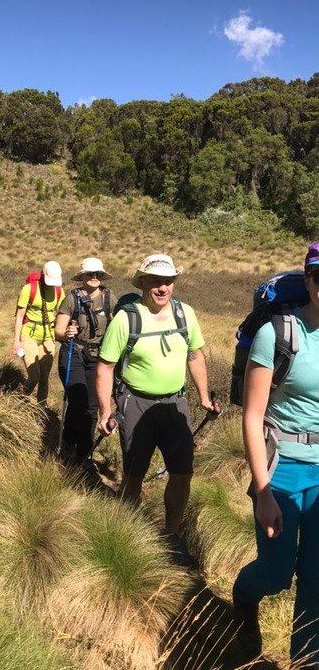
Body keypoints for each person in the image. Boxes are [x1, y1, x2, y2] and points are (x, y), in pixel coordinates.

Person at [233, 242, 319, 665]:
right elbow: (252, 416)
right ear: (308, 280)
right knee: (275, 574)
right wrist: (263, 491)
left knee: (317, 583)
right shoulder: (278, 334)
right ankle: (243, 597)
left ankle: (305, 661)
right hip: (281, 469)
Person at [96, 253, 218, 534]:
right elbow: (105, 367)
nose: (162, 288)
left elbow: (195, 355)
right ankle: (128, 534)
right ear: (143, 283)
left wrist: (203, 398)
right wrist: (105, 411)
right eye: (156, 281)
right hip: (135, 403)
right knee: (134, 475)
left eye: (168, 281)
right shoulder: (127, 319)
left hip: (176, 404)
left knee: (182, 474)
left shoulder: (184, 313)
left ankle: (171, 533)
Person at [55, 257, 117, 467]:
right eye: (90, 274)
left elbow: (118, 324)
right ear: (81, 277)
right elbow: (58, 331)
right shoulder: (72, 298)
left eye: (97, 274)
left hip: (99, 357)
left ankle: (84, 452)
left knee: (92, 407)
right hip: (74, 353)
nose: (94, 277)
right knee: (78, 400)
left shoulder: (109, 297)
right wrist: (67, 333)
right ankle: (68, 443)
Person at [12, 261, 64, 406]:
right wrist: (16, 341)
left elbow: (62, 314)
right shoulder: (28, 289)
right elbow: (19, 316)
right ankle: (18, 402)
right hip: (29, 335)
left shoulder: (59, 291)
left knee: (44, 377)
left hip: (48, 336)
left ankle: (41, 408)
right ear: (42, 275)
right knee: (34, 375)